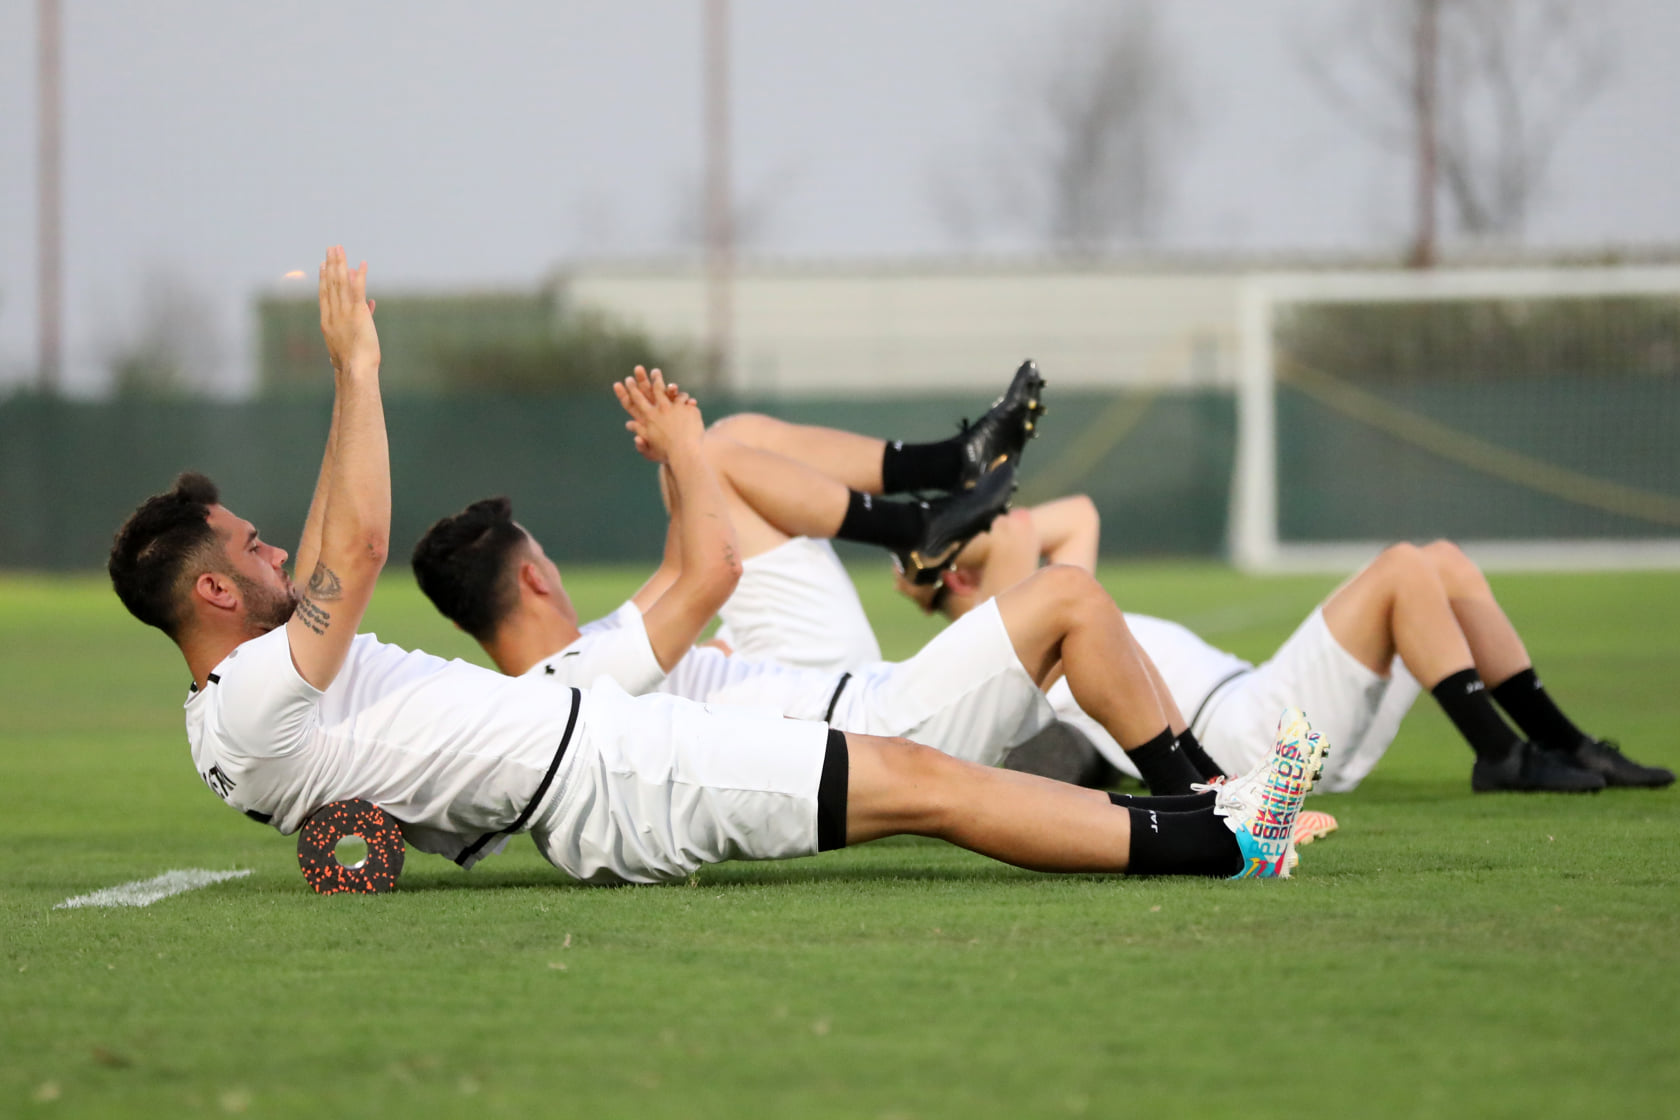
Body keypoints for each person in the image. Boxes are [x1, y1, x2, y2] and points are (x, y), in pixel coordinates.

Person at [105, 246, 1324, 886]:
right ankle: (1225, 835)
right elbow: (355, 548)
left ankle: (1210, 820)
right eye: (253, 552)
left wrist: (339, 392)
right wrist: (357, 369)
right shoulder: (260, 699)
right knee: (927, 785)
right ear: (211, 592)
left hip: (593, 763)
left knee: (917, 777)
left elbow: (330, 548)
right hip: (606, 781)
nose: (282, 553)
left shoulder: (242, 710)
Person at [414, 368, 1235, 799]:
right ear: (534, 577)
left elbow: (678, 566)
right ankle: (1211, 804)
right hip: (872, 721)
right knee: (1074, 600)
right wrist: (690, 455)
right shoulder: (574, 683)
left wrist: (684, 458)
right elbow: (707, 573)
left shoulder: (566, 672)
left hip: (842, 695)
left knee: (723, 452)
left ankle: (945, 482)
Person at [899, 497, 1674, 795]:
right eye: (949, 580)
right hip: (1246, 733)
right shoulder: (997, 637)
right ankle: (1499, 758)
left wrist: (940, 548)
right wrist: (931, 560)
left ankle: (1569, 746)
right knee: (1405, 567)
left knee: (1442, 564)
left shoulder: (1062, 608)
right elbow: (1024, 530)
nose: (963, 576)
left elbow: (1079, 516)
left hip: (1266, 704)